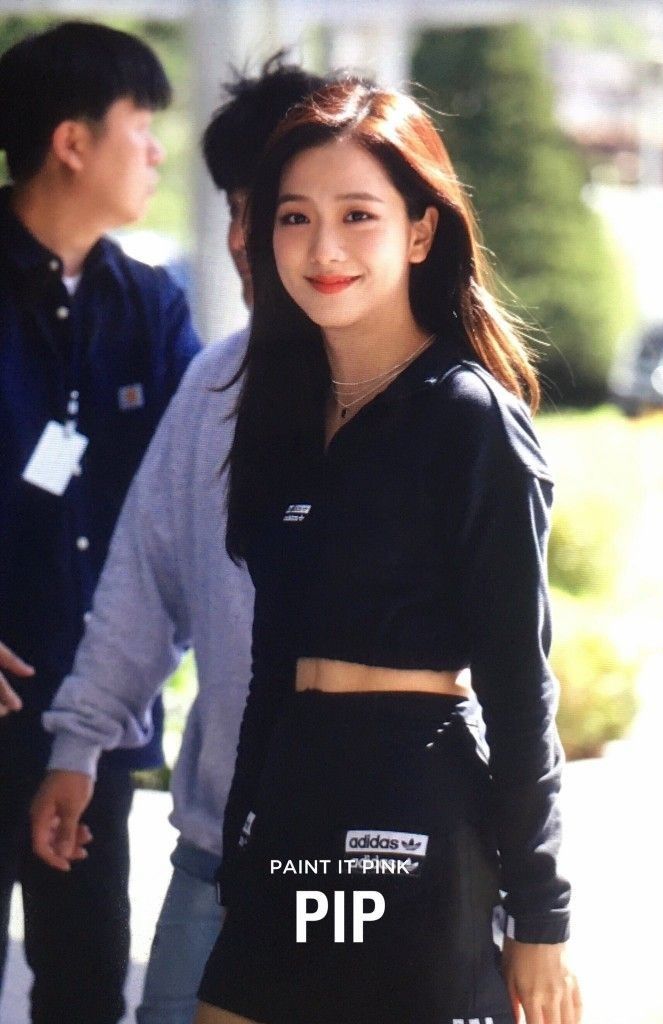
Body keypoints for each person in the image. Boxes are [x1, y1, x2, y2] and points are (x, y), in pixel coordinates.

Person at [196, 80, 582, 1024]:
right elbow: (272, 661)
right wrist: (244, 845)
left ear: (420, 232)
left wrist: (542, 916)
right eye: (295, 217)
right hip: (294, 794)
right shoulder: (283, 412)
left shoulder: (470, 417)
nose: (322, 248)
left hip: (409, 807)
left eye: (357, 215)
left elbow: (520, 685)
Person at [29, 56, 328, 1024]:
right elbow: (147, 579)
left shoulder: (441, 403)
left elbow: (504, 658)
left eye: (273, 209)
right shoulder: (215, 385)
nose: (243, 238)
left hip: (379, 848)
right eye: (239, 208)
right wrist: (81, 739)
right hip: (213, 841)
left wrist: (529, 894)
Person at [0, 21, 200, 1024]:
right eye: (142, 125)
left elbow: (201, 477)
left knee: (85, 990)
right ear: (72, 142)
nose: (158, 151)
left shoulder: (149, 304)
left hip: (91, 719)